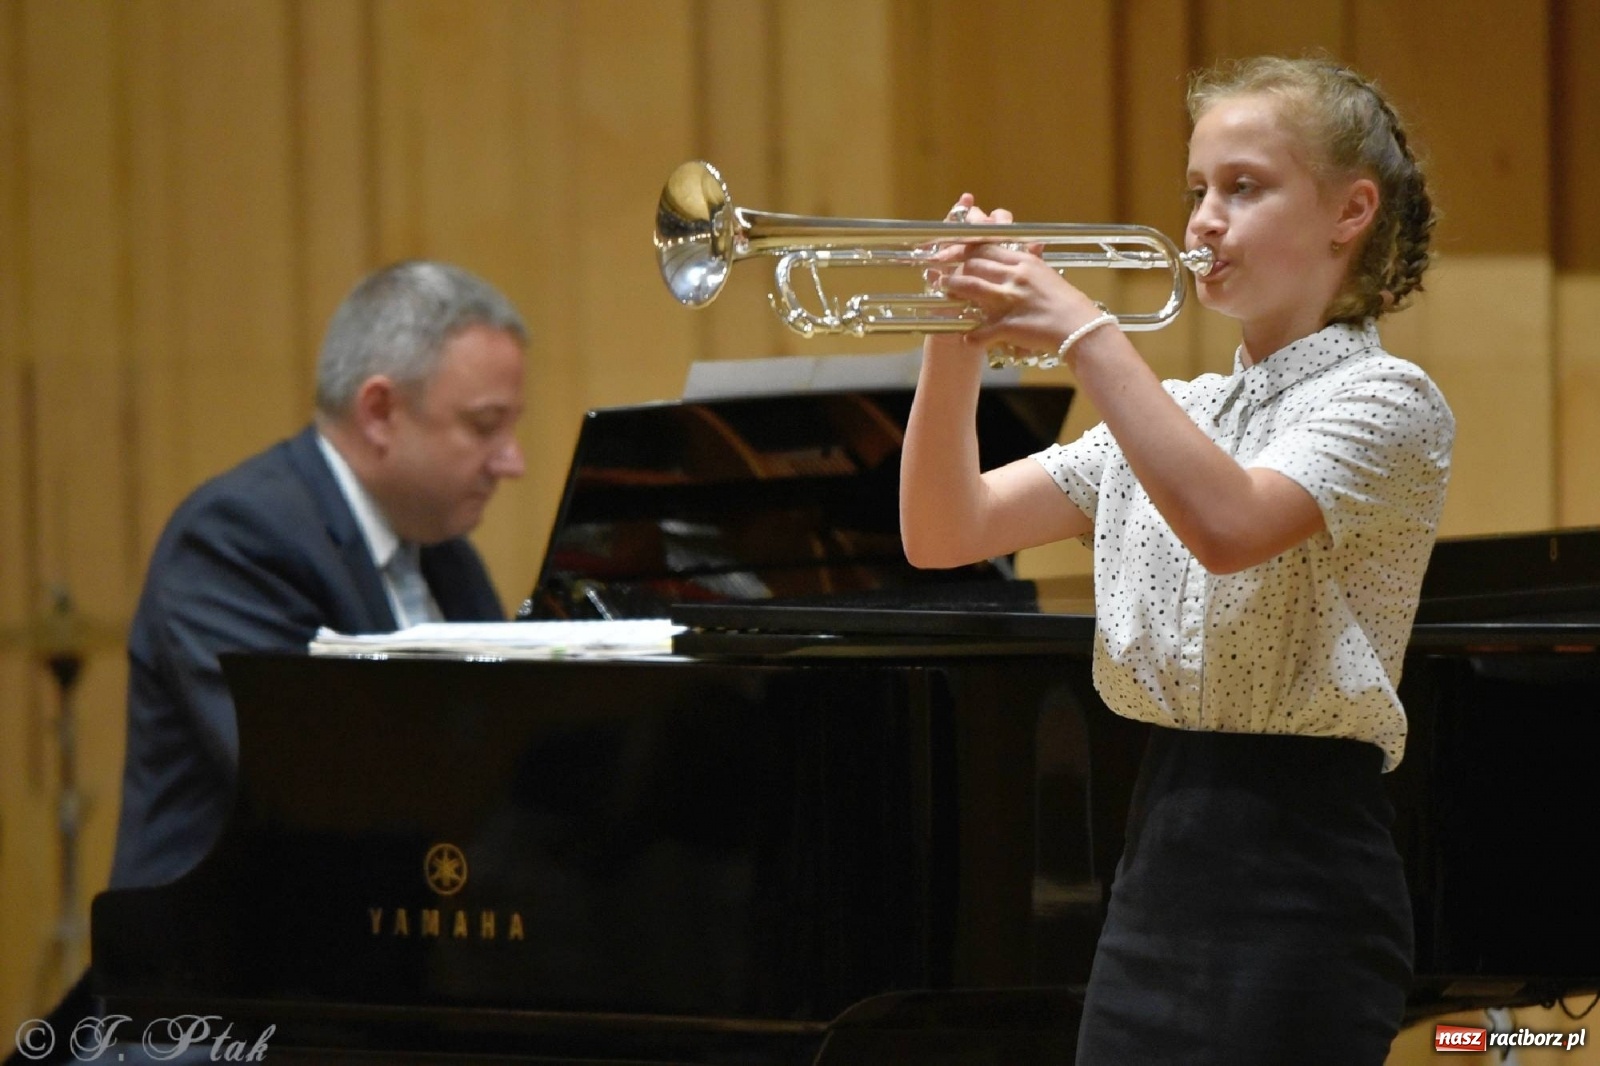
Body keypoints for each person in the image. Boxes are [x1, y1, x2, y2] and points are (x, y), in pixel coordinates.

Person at [899, 56, 1453, 1065]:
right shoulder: (1179, 411)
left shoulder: (1387, 401)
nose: (1202, 220)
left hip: (1303, 872)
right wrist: (952, 340)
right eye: (1196, 189)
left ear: (1349, 211)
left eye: (1243, 187)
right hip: (1158, 858)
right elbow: (945, 530)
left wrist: (1083, 332)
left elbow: (1230, 525)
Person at [109, 259, 529, 891]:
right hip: (229, 967)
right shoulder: (234, 539)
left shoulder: (445, 553)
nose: (513, 461)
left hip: (386, 938)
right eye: (485, 426)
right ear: (381, 412)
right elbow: (317, 788)